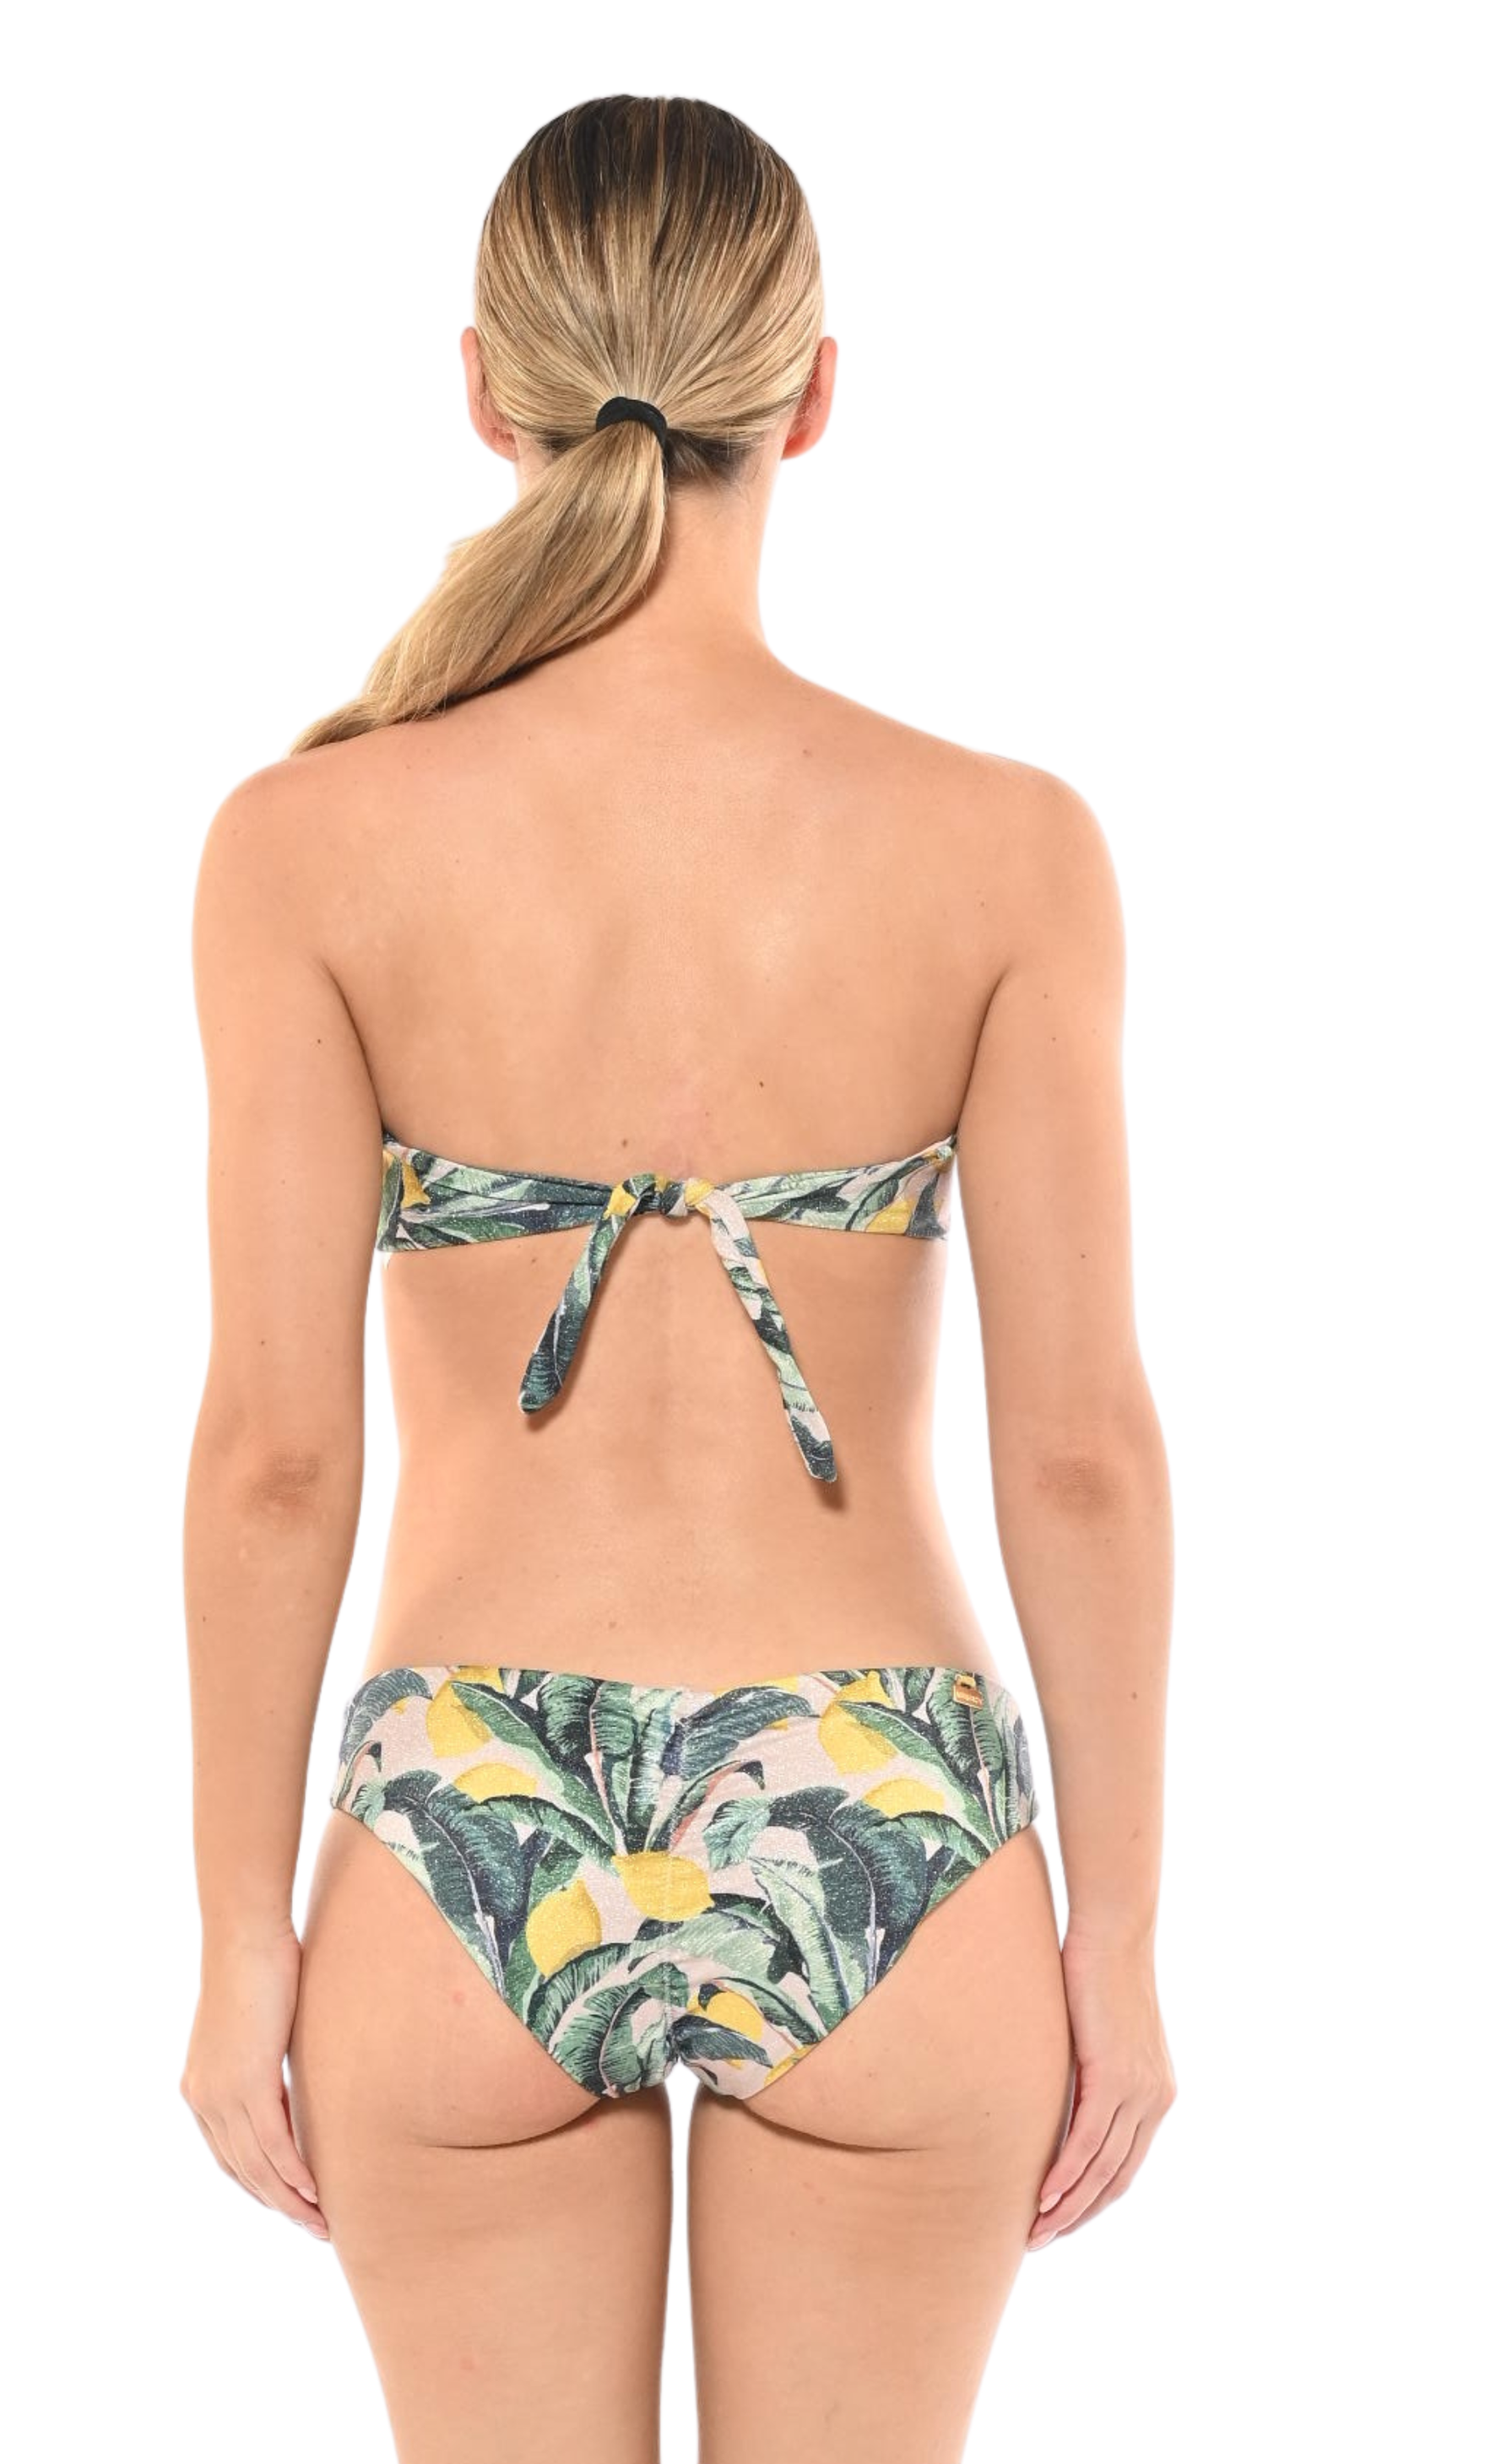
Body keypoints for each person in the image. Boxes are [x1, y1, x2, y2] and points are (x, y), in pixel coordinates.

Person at [180, 92, 1175, 2463]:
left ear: (485, 391)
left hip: (471, 1811)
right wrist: (1120, 1938)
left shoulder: (306, 844)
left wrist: (236, 1937)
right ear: (810, 392)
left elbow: (274, 1456)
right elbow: (1080, 1452)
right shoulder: (1004, 849)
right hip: (884, 1801)